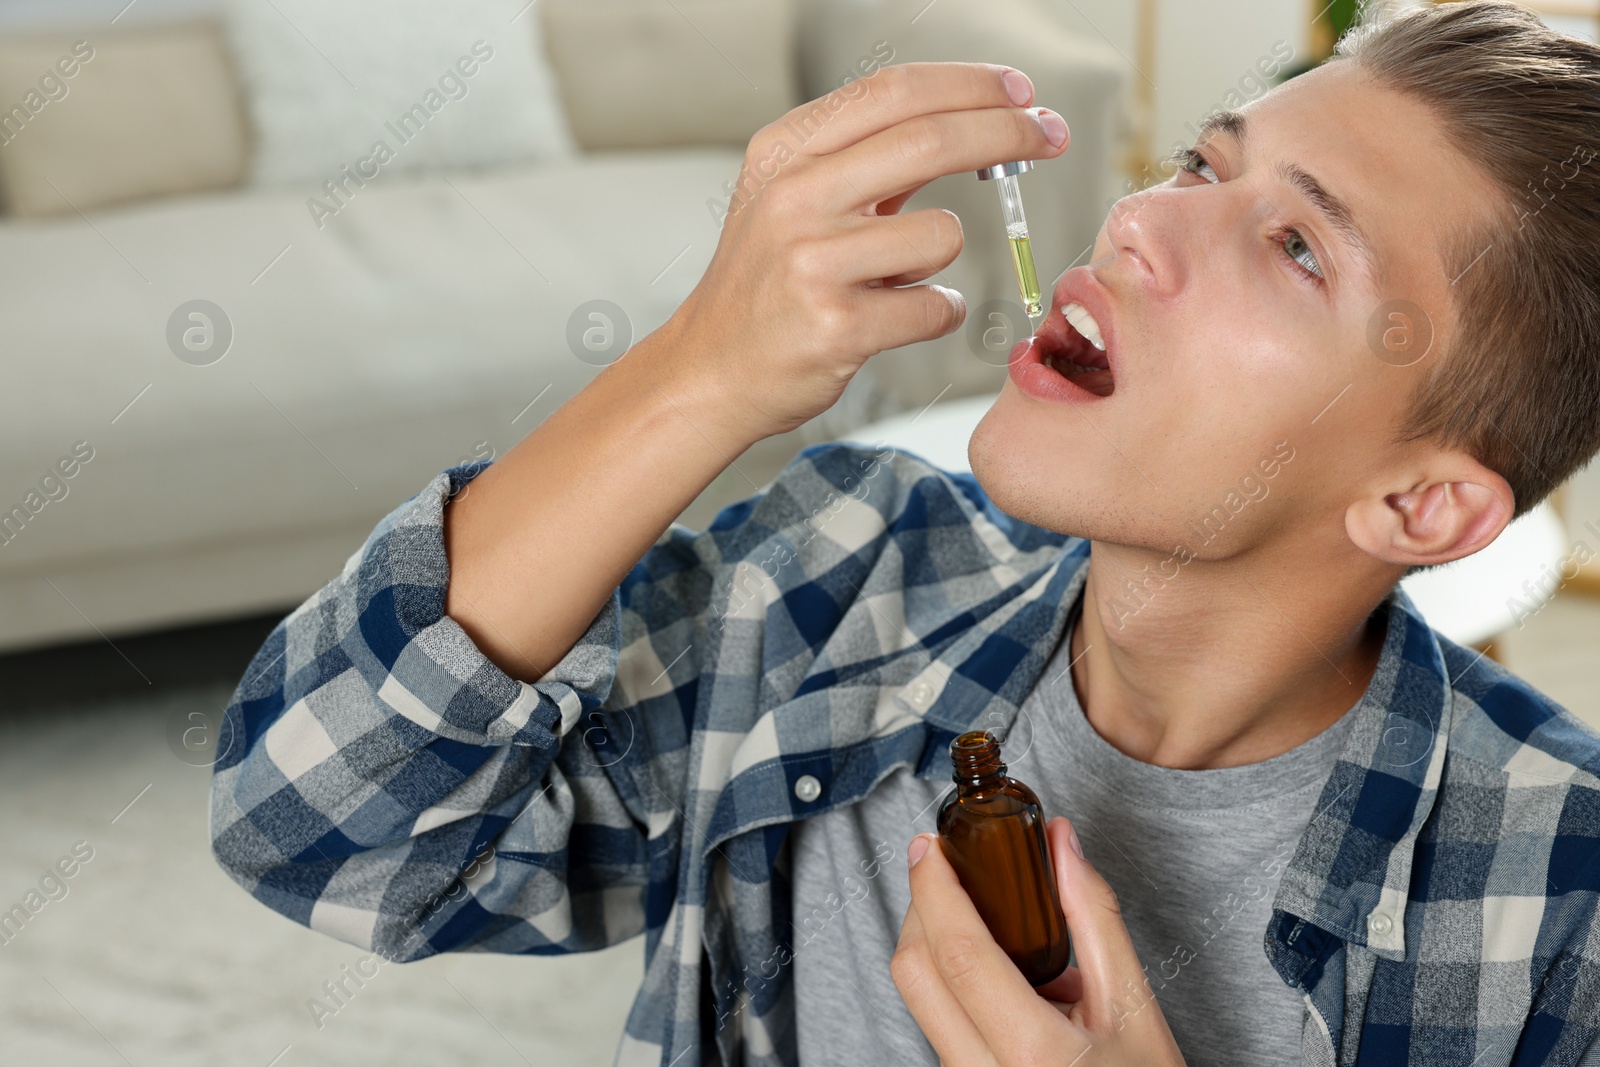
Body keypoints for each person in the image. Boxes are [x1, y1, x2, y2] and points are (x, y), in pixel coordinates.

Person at [208, 2, 1600, 1064]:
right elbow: (310, 827)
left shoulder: (1563, 899)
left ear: (1423, 505)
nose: (1136, 224)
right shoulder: (841, 578)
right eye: (1198, 163)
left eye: (1298, 245)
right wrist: (700, 369)